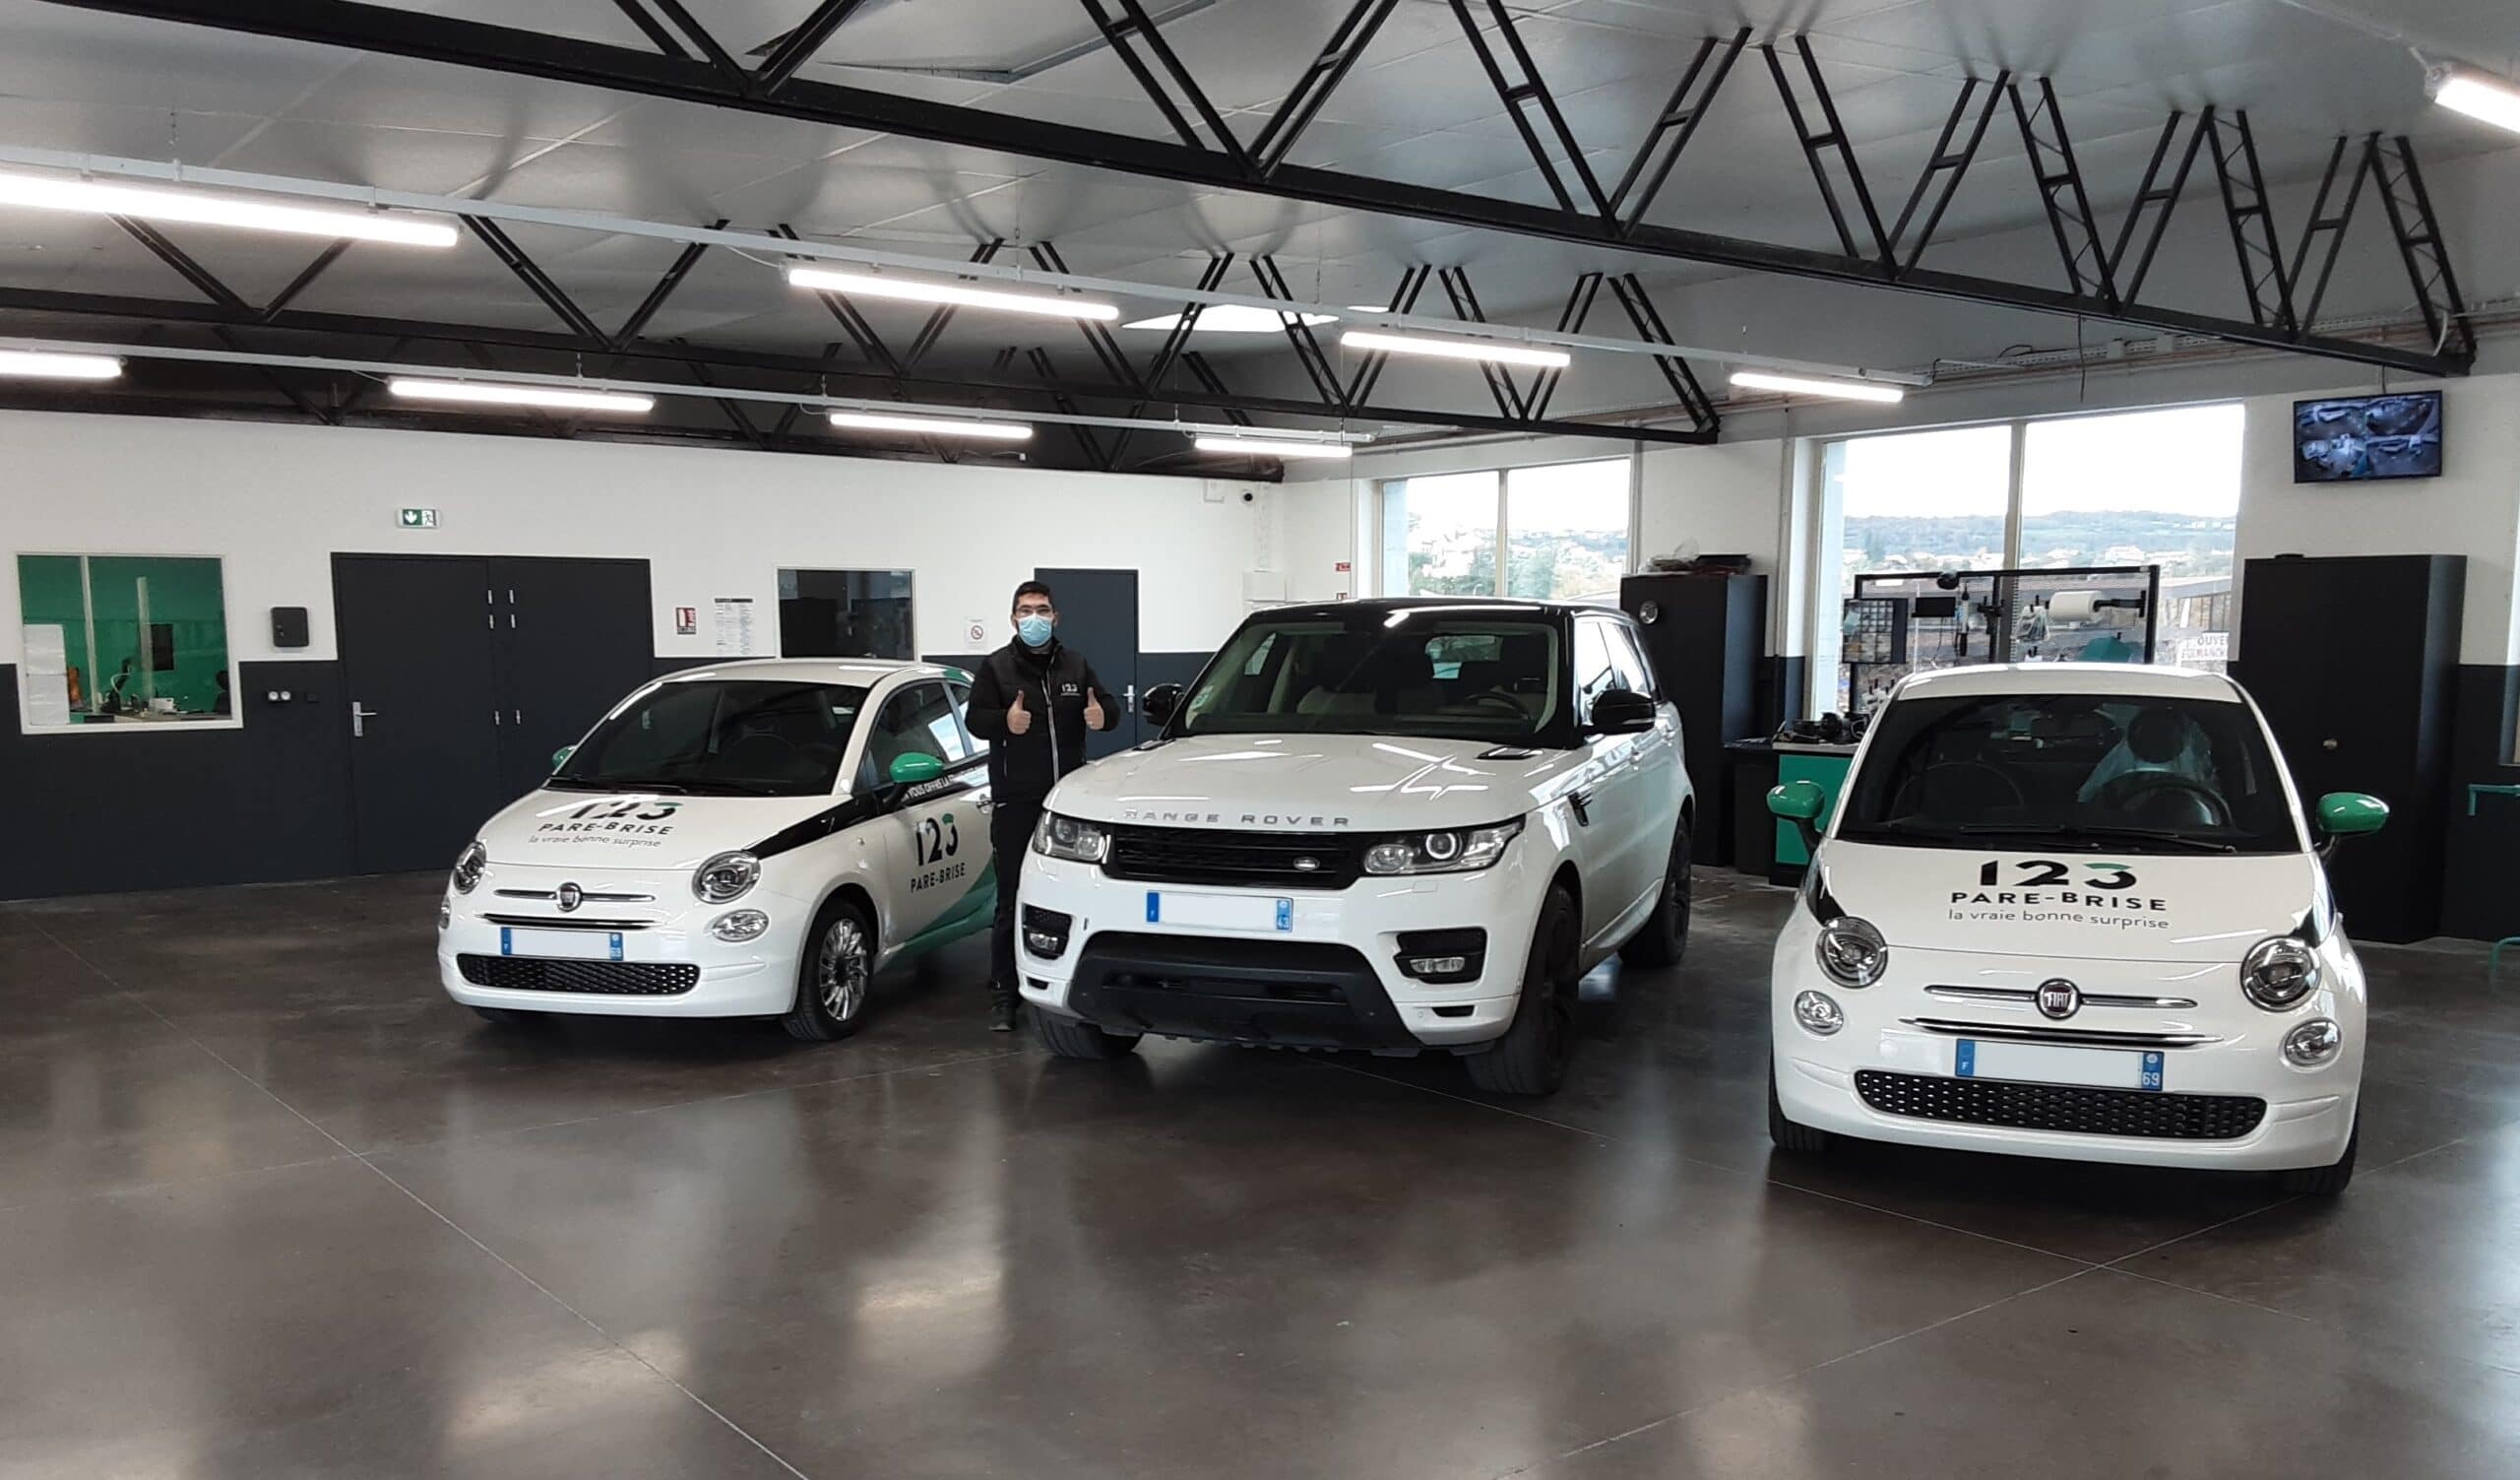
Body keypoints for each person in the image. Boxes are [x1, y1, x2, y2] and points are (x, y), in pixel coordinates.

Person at [962, 580, 1122, 1032]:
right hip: (1017, 800)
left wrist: (1103, 716)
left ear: (1056, 617)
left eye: (1043, 609)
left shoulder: (1075, 664)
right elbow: (975, 721)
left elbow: (1109, 708)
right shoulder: (996, 668)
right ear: (1013, 618)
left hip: (1068, 805)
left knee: (1076, 895)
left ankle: (1071, 986)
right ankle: (1003, 993)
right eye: (1026, 610)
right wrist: (1004, 722)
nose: (1035, 617)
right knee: (1011, 897)